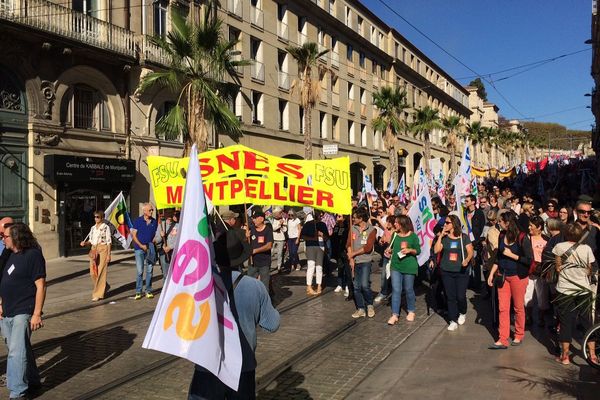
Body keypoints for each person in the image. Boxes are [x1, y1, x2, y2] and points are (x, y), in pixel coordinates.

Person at [188, 230, 280, 399]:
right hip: (242, 367)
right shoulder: (255, 287)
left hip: (208, 364)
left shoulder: (201, 286)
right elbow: (272, 324)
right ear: (242, 258)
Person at [0, 223, 45, 399]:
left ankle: (17, 391)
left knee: (16, 352)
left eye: (6, 236)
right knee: (20, 348)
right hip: (7, 310)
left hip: (24, 309)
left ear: (17, 237)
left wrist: (36, 313)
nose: (3, 239)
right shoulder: (10, 254)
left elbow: (40, 285)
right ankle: (33, 380)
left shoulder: (32, 255)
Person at [487, 211, 533, 349]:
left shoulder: (522, 237)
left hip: (518, 276)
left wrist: (513, 255)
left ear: (508, 222)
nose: (498, 223)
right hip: (503, 276)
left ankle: (519, 335)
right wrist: (491, 274)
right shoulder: (502, 235)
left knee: (518, 307)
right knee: (503, 308)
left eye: (500, 221)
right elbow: (498, 257)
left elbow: (529, 260)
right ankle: (503, 338)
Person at [552, 223, 597, 365]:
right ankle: (593, 355)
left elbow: (558, 268)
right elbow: (590, 270)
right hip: (583, 289)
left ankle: (564, 356)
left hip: (565, 289)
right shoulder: (587, 249)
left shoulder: (559, 247)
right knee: (587, 321)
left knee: (565, 322)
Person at [433, 214, 474, 331]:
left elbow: (470, 252)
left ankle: (462, 312)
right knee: (450, 297)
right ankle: (452, 320)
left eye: (447, 223)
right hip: (447, 270)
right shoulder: (444, 238)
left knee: (460, 296)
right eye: (445, 223)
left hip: (461, 271)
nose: (445, 225)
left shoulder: (464, 237)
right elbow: (436, 250)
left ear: (454, 224)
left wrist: (466, 260)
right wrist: (440, 236)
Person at [386, 215, 420, 325]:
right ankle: (395, 314)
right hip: (396, 266)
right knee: (396, 290)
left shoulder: (413, 236)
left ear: (402, 224)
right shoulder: (395, 235)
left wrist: (410, 250)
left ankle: (411, 311)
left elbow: (418, 251)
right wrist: (388, 251)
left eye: (396, 222)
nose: (394, 224)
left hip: (409, 266)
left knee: (408, 289)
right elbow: (391, 248)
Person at [347, 208, 377, 319]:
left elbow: (368, 248)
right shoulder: (353, 228)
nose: (353, 219)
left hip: (365, 261)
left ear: (361, 218)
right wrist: (351, 258)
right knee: (356, 286)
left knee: (364, 285)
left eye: (355, 217)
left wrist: (354, 253)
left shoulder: (372, 230)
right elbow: (348, 244)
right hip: (355, 261)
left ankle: (369, 305)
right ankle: (360, 308)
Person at [80, 211, 112, 301]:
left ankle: (97, 294)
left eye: (97, 217)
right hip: (94, 249)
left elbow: (109, 242)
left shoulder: (106, 228)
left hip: (103, 248)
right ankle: (104, 286)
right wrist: (85, 243)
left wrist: (109, 254)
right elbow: (90, 240)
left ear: (102, 218)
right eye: (95, 217)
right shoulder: (93, 228)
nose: (96, 218)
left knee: (101, 271)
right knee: (93, 272)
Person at [131, 203, 159, 300]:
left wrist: (155, 240)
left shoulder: (154, 222)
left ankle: (148, 290)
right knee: (140, 271)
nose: (152, 211)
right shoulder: (138, 221)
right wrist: (141, 245)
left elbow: (156, 234)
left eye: (152, 210)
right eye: (150, 210)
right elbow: (133, 235)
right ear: (144, 211)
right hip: (139, 248)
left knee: (149, 270)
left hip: (150, 248)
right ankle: (138, 291)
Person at [525, 216, 548, 327]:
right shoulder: (526, 238)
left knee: (542, 296)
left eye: (531, 226)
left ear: (539, 227)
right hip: (529, 271)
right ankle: (528, 317)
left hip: (542, 272)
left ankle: (541, 318)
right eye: (529, 225)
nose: (529, 228)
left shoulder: (546, 239)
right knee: (527, 295)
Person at [300, 211, 328, 295]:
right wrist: (312, 238)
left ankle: (319, 285)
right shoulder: (308, 224)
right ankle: (309, 286)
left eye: (321, 214)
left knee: (319, 266)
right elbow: (303, 236)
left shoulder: (322, 224)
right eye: (318, 214)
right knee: (311, 265)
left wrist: (321, 234)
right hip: (310, 246)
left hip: (321, 246)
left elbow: (327, 237)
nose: (320, 216)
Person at [247, 210, 273, 290]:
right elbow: (246, 243)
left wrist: (255, 251)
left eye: (255, 218)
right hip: (252, 262)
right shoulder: (251, 229)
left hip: (264, 262)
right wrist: (246, 237)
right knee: (250, 284)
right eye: (253, 218)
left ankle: (266, 300)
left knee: (264, 284)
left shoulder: (268, 230)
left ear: (261, 219)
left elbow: (269, 245)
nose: (253, 220)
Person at [332, 214, 352, 299]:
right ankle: (340, 284)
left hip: (345, 250)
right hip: (338, 250)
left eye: (339, 217)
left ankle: (347, 285)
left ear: (344, 218)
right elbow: (334, 237)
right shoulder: (336, 227)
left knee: (347, 269)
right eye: (337, 216)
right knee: (340, 267)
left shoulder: (347, 227)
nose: (337, 218)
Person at [270, 208, 287, 272]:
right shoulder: (272, 220)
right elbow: (273, 228)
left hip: (281, 239)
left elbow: (285, 230)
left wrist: (282, 225)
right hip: (274, 238)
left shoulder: (283, 220)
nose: (280, 214)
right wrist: (279, 225)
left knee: (280, 253)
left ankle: (279, 267)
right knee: (271, 253)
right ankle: (269, 266)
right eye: (279, 213)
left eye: (280, 213)